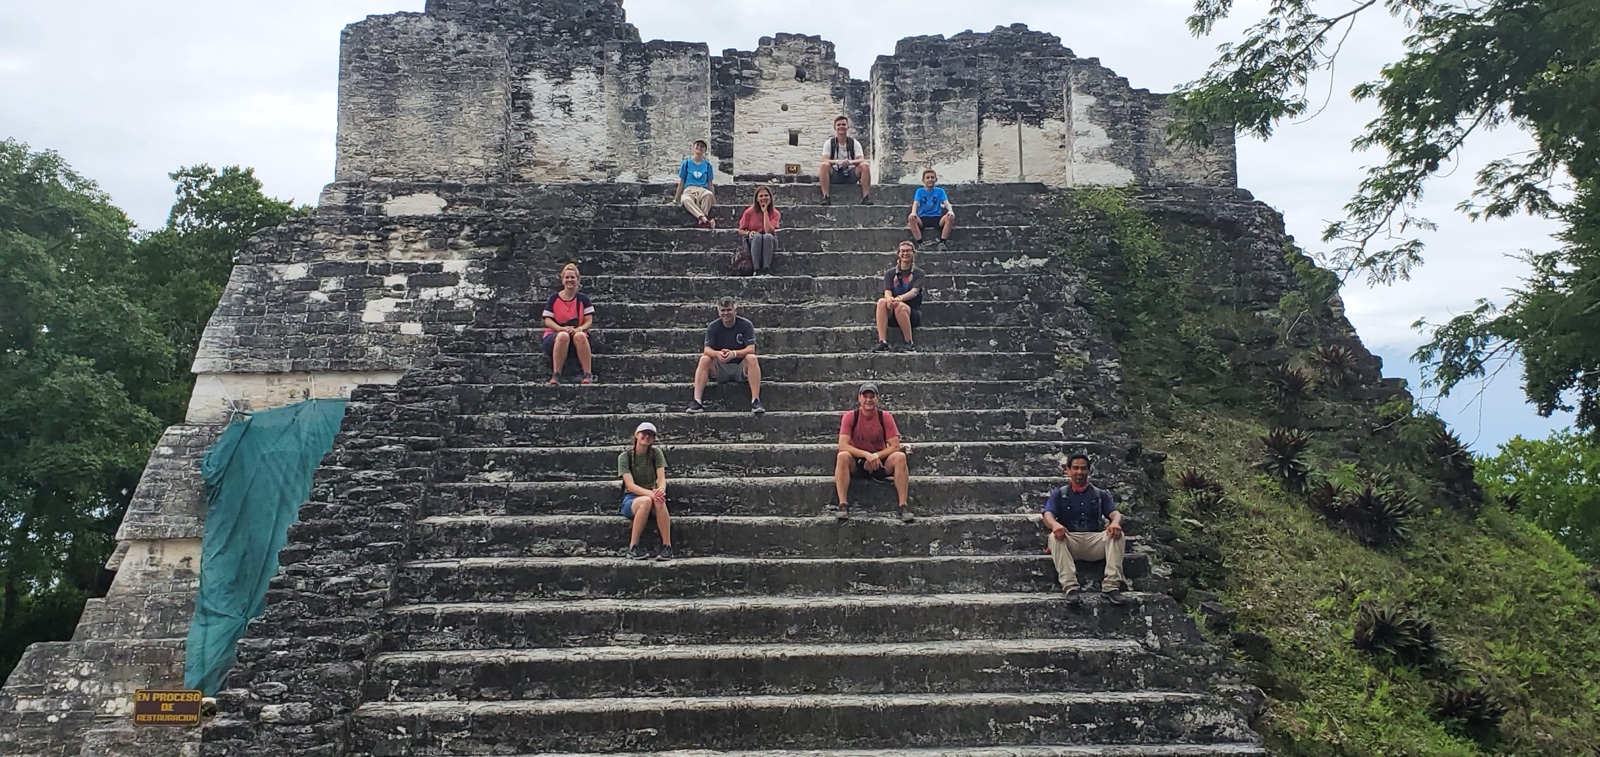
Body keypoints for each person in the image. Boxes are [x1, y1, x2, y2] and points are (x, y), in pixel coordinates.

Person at [1041, 454, 1126, 604]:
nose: (1079, 472)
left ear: (1089, 471)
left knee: (1117, 535)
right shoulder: (1059, 494)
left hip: (1094, 541)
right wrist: (1055, 525)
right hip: (1070, 540)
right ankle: (1070, 587)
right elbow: (1048, 514)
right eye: (1075, 468)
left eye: (1083, 468)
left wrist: (1115, 523)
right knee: (1054, 537)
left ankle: (1111, 586)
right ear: (1068, 470)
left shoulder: (1100, 494)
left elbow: (1115, 513)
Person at [833, 382, 913, 523]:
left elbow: (895, 446)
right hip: (857, 461)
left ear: (877, 398)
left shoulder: (885, 417)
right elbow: (843, 445)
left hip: (880, 462)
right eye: (865, 396)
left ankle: (903, 506)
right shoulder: (850, 416)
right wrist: (866, 455)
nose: (868, 400)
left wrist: (876, 456)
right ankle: (843, 505)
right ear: (859, 398)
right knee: (842, 456)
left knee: (900, 457)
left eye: (872, 396)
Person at [688, 298, 765, 415]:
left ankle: (755, 400)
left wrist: (734, 353)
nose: (726, 313)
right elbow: (707, 350)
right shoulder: (713, 327)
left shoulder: (746, 325)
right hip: (721, 367)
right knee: (704, 359)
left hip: (740, 367)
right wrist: (717, 354)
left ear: (735, 310)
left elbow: (751, 349)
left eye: (729, 310)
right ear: (718, 311)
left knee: (752, 358)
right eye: (723, 310)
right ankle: (697, 401)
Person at [619, 422, 672, 560]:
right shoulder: (625, 457)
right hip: (632, 499)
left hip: (652, 494)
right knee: (647, 500)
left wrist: (661, 490)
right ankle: (633, 547)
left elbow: (661, 478)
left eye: (650, 435)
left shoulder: (656, 453)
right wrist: (651, 493)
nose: (647, 437)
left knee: (659, 500)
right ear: (636, 435)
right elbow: (630, 485)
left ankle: (667, 546)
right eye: (644, 433)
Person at [541, 263, 596, 385]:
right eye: (567, 277)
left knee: (580, 336)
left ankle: (587, 374)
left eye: (572, 277)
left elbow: (588, 321)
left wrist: (579, 329)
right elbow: (548, 320)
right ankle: (556, 374)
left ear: (578, 280)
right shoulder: (554, 298)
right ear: (562, 280)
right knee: (563, 336)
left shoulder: (583, 299)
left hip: (576, 335)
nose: (570, 280)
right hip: (555, 336)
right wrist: (560, 329)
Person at [873, 241, 924, 352]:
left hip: (911, 313)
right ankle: (882, 341)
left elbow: (914, 292)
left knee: (899, 306)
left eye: (908, 251)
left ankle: (909, 342)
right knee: (881, 302)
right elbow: (887, 291)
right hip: (893, 312)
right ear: (898, 253)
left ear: (913, 253)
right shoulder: (890, 273)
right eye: (903, 251)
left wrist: (899, 298)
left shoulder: (918, 273)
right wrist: (890, 299)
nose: (905, 253)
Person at [818, 115, 872, 206]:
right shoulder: (829, 143)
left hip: (851, 173)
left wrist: (850, 162)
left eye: (843, 124)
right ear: (835, 127)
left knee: (865, 165)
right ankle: (826, 197)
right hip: (835, 173)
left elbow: (861, 159)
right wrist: (837, 162)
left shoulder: (854, 143)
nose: (841, 127)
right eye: (838, 125)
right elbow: (824, 159)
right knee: (824, 165)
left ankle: (866, 197)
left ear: (847, 127)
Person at [674, 139, 717, 229]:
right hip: (689, 189)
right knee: (685, 199)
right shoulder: (686, 163)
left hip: (702, 189)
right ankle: (704, 219)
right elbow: (681, 182)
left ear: (704, 150)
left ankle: (702, 221)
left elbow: (710, 183)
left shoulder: (708, 165)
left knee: (708, 194)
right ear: (693, 147)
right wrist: (676, 199)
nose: (699, 147)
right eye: (697, 145)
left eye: (702, 146)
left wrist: (713, 200)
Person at [907, 168, 954, 251]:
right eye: (927, 177)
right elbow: (916, 203)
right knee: (911, 218)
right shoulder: (920, 191)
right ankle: (920, 243)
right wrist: (913, 213)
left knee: (950, 217)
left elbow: (946, 202)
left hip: (937, 218)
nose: (930, 179)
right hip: (923, 218)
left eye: (932, 177)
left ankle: (942, 243)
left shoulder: (940, 191)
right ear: (923, 180)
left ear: (936, 179)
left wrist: (950, 211)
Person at [739, 186, 781, 275]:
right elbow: (740, 230)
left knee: (767, 237)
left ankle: (766, 269)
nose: (763, 198)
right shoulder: (749, 212)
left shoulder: (775, 213)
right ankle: (756, 270)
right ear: (757, 199)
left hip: (769, 241)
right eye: (761, 196)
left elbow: (768, 231)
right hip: (753, 240)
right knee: (757, 236)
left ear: (770, 198)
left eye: (766, 195)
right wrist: (748, 233)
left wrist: (765, 212)